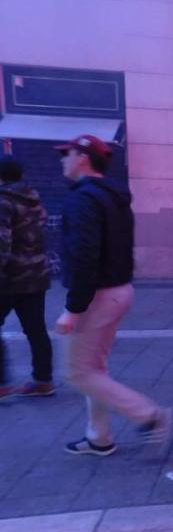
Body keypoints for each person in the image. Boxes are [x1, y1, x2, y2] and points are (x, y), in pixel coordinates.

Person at [56, 135, 171, 456]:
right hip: (119, 290)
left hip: (98, 296)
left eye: (66, 154)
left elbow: (85, 255)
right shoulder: (112, 197)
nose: (62, 160)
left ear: (83, 157)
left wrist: (73, 308)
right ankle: (99, 437)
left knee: (76, 372)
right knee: (93, 368)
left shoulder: (84, 200)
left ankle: (149, 415)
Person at [0, 154, 53, 400]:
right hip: (36, 274)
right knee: (36, 330)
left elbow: (2, 242)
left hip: (9, 278)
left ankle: (2, 385)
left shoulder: (3, 201)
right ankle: (44, 381)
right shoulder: (34, 199)